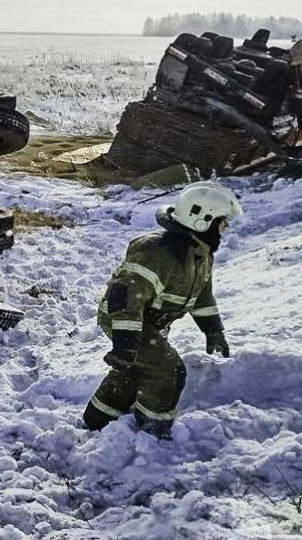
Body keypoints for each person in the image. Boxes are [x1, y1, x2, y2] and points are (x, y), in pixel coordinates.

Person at [83, 181, 242, 438]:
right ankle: (152, 430)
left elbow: (202, 296)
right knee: (168, 369)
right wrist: (125, 346)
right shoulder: (156, 253)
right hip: (123, 318)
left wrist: (213, 330)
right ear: (204, 220)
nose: (226, 227)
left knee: (136, 368)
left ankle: (97, 417)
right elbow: (125, 298)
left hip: (148, 322)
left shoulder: (200, 256)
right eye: (223, 221)